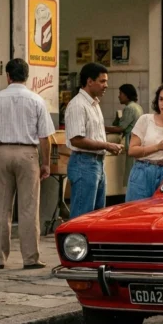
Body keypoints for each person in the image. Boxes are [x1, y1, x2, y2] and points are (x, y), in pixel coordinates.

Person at [0, 59, 55, 269]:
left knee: (0, 207)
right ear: (27, 76)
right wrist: (46, 163)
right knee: (29, 207)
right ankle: (30, 258)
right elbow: (45, 138)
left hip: (2, 152)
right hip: (28, 154)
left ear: (8, 76)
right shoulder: (36, 100)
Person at [65, 63, 123, 220]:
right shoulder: (78, 105)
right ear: (89, 81)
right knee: (82, 217)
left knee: (96, 217)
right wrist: (107, 145)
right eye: (102, 81)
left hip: (97, 163)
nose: (106, 85)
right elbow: (76, 140)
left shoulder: (94, 104)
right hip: (83, 163)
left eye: (106, 81)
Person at [105, 84, 143, 186]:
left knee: (130, 171)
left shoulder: (129, 108)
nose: (119, 96)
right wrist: (118, 119)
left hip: (130, 141)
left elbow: (120, 128)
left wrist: (103, 128)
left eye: (120, 93)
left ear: (126, 95)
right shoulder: (137, 107)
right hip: (137, 142)